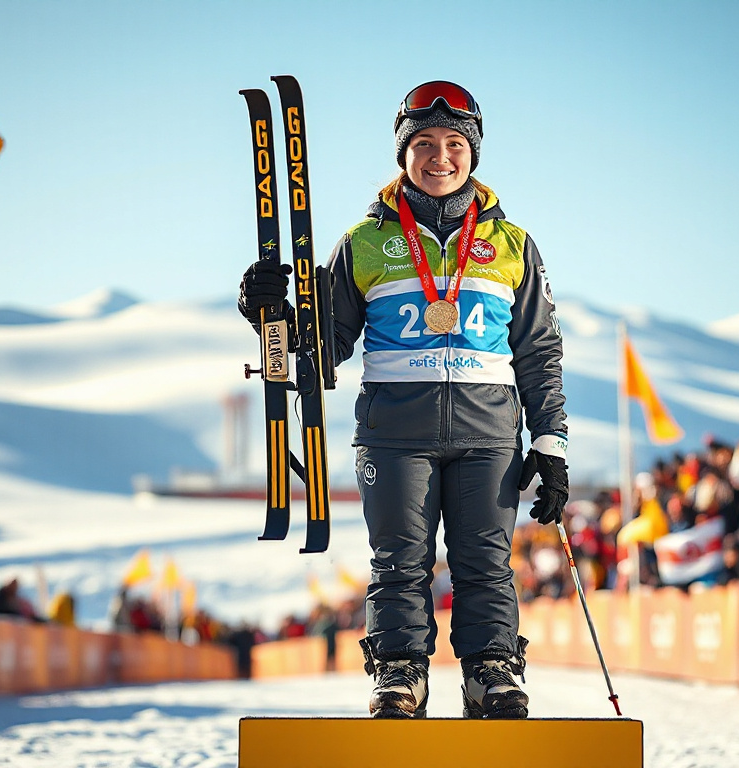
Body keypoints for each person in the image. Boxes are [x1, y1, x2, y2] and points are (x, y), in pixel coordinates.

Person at [238, 80, 566, 720]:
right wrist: (269, 313)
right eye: (424, 144)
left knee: (486, 563)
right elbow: (323, 349)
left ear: (473, 153)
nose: (439, 157)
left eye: (454, 144)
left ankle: (491, 673)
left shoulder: (513, 244)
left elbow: (538, 350)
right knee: (398, 562)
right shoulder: (364, 242)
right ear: (403, 153)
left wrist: (550, 444)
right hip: (394, 435)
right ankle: (399, 675)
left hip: (489, 434)